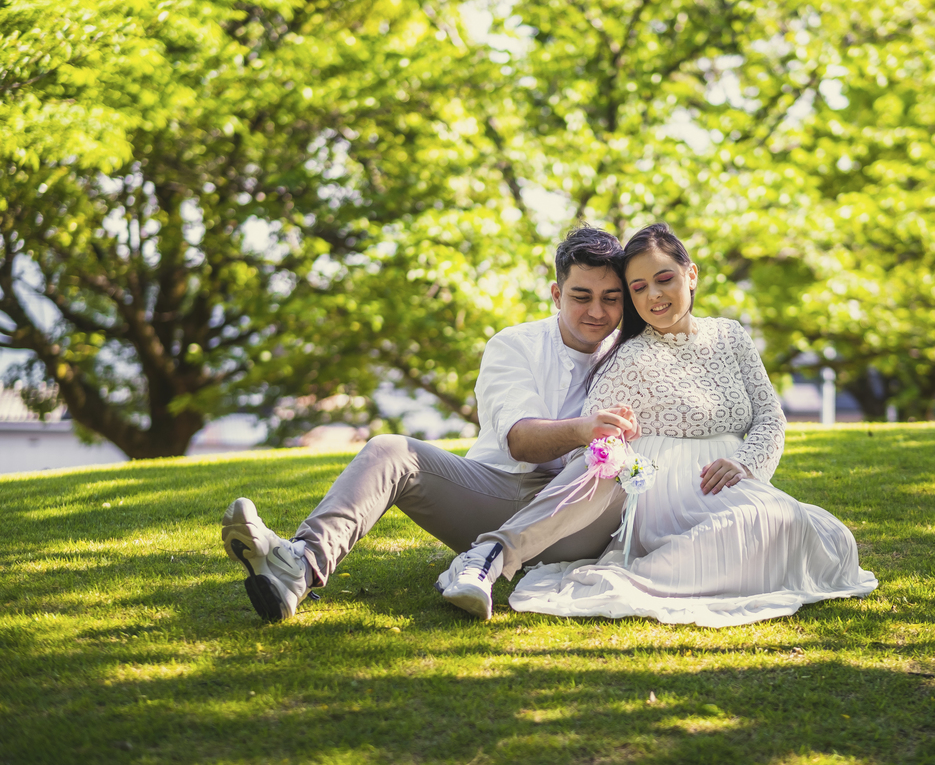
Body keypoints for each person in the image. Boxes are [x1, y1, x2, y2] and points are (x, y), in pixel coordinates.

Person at [220, 226, 639, 622]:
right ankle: (299, 565)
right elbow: (520, 442)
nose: (597, 312)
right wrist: (584, 429)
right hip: (492, 496)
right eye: (581, 296)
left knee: (615, 462)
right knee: (389, 450)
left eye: (611, 298)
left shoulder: (636, 356)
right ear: (555, 294)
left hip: (576, 522)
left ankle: (486, 561)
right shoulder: (515, 345)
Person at [506, 223, 878, 627]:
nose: (654, 295)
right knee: (765, 521)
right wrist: (629, 468)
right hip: (669, 495)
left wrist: (746, 464)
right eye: (638, 288)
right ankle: (634, 577)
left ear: (691, 274)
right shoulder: (629, 358)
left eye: (664, 279)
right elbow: (596, 444)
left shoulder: (730, 336)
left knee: (832, 537)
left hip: (731, 481)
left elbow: (770, 416)